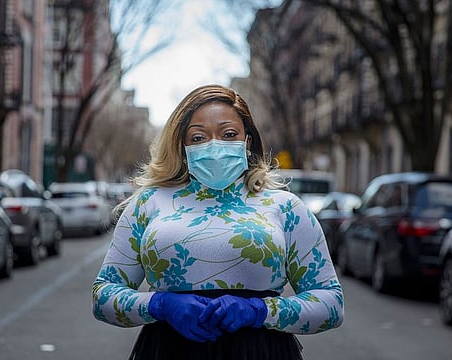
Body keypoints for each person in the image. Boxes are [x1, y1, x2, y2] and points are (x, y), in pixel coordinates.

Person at [92, 84, 344, 360]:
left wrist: (261, 311)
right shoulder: (148, 203)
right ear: (182, 147)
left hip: (260, 352)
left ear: (247, 142)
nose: (214, 145)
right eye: (198, 137)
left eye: (228, 134)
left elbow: (331, 303)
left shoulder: (286, 208)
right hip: (168, 351)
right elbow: (103, 296)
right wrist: (159, 305)